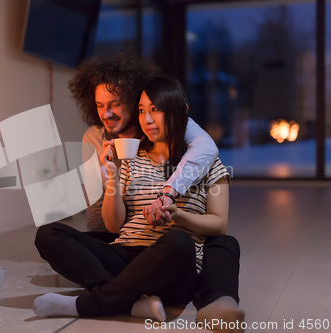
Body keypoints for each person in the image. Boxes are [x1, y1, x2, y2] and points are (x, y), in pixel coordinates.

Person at [34, 76, 244, 332]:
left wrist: (177, 215)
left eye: (156, 110)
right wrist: (113, 175)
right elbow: (113, 225)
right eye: (143, 111)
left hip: (174, 265)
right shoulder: (131, 157)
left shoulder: (209, 163)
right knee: (48, 233)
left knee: (178, 241)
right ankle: (131, 301)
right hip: (126, 255)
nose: (147, 119)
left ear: (180, 111)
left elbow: (219, 223)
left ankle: (90, 304)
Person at [70, 55, 219, 241]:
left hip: (159, 231)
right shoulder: (92, 137)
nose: (106, 114)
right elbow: (95, 204)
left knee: (219, 245)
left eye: (115, 104)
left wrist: (168, 194)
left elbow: (206, 147)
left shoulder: (158, 128)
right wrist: (99, 246)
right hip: (117, 232)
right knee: (55, 236)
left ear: (134, 102)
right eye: (100, 105)